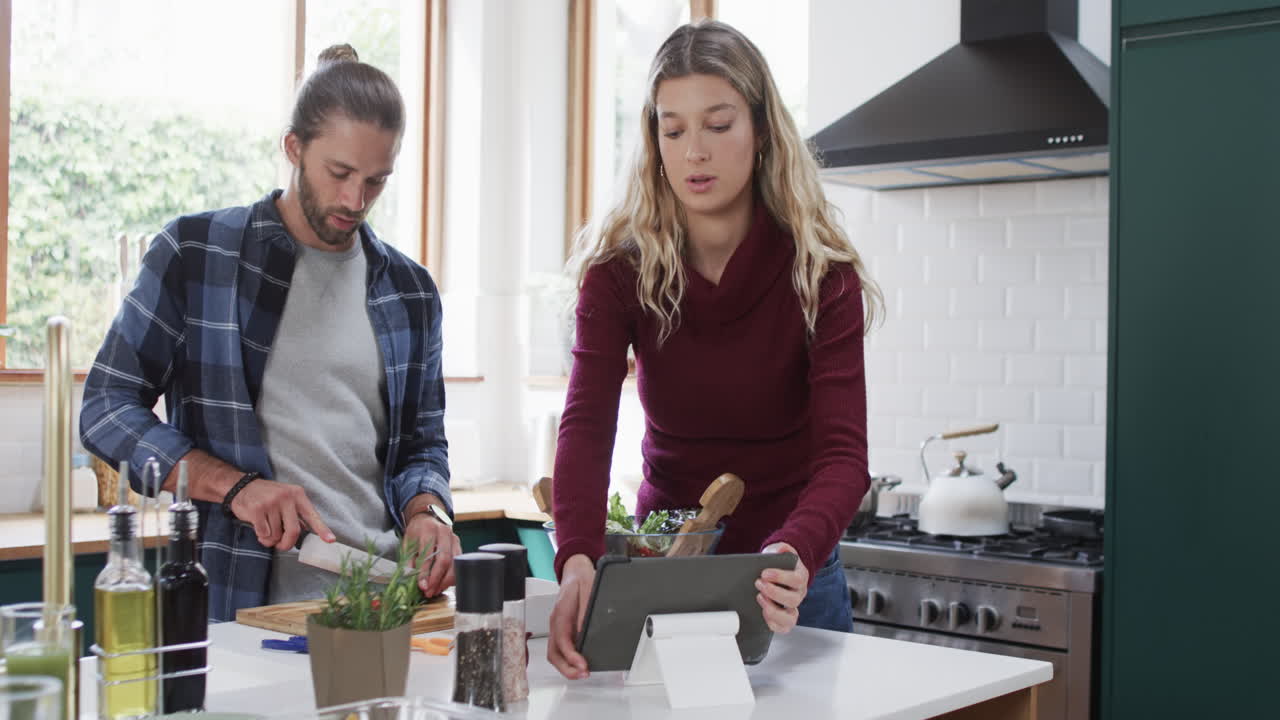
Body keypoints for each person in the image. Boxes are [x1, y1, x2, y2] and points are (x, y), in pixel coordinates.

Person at [546, 20, 884, 679]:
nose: (694, 151)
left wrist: (795, 549)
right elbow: (585, 427)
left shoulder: (822, 274)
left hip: (791, 581)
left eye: (718, 124)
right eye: (673, 129)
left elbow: (844, 457)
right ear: (654, 142)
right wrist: (578, 558)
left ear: (760, 130)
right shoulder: (618, 278)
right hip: (667, 575)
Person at [79, 45, 459, 621]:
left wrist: (429, 511)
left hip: (383, 606)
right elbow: (106, 408)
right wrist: (235, 487)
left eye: (377, 182)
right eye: (339, 174)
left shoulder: (410, 291)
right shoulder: (197, 255)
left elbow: (421, 447)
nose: (355, 201)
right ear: (293, 147)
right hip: (242, 606)